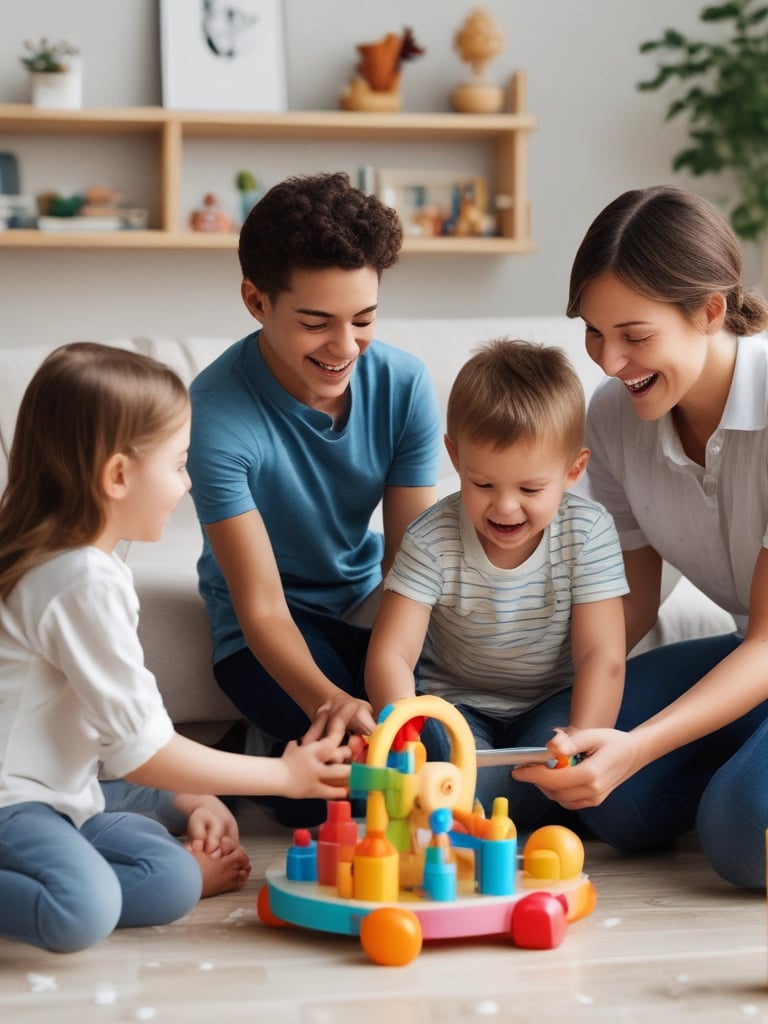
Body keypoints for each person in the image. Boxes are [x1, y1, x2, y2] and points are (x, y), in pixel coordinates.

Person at [0, 342, 350, 953]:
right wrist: (284, 775)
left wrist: (190, 795)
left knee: (171, 879)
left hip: (66, 793)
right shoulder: (76, 579)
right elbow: (142, 749)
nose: (187, 483)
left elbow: (115, 740)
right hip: (15, 803)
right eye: (179, 463)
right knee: (81, 909)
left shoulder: (84, 566)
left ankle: (96, 855)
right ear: (117, 475)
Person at [514, 185, 768, 889]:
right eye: (595, 332)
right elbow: (630, 606)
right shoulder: (616, 416)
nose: (608, 360)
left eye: (635, 335)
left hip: (765, 651)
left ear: (710, 311)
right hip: (757, 659)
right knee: (590, 781)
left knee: (743, 834)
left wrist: (641, 745)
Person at [186, 172, 442, 824]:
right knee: (351, 790)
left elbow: (409, 567)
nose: (344, 346)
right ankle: (253, 754)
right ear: (256, 300)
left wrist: (394, 679)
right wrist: (330, 701)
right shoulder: (215, 418)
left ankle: (267, 751)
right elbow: (263, 608)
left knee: (426, 754)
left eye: (364, 319)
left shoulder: (405, 385)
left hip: (365, 608)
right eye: (316, 322)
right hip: (265, 631)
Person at [365, 338, 628, 824]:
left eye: (530, 488)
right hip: (458, 708)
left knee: (575, 779)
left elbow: (602, 657)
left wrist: (578, 744)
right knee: (448, 767)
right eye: (482, 484)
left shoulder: (589, 532)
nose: (505, 507)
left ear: (574, 471)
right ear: (455, 458)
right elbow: (391, 654)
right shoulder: (431, 536)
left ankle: (506, 794)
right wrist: (406, 732)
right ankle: (481, 790)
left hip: (551, 705)